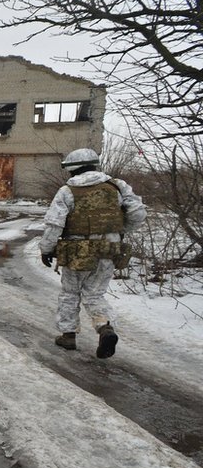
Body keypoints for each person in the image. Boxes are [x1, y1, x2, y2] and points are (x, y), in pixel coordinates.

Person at [38, 148, 147, 358]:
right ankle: (105, 327)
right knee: (95, 293)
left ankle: (68, 336)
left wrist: (47, 248)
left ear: (73, 169)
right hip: (108, 249)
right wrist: (119, 232)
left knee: (70, 293)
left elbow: (54, 224)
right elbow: (137, 213)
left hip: (77, 251)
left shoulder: (67, 191)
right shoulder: (117, 186)